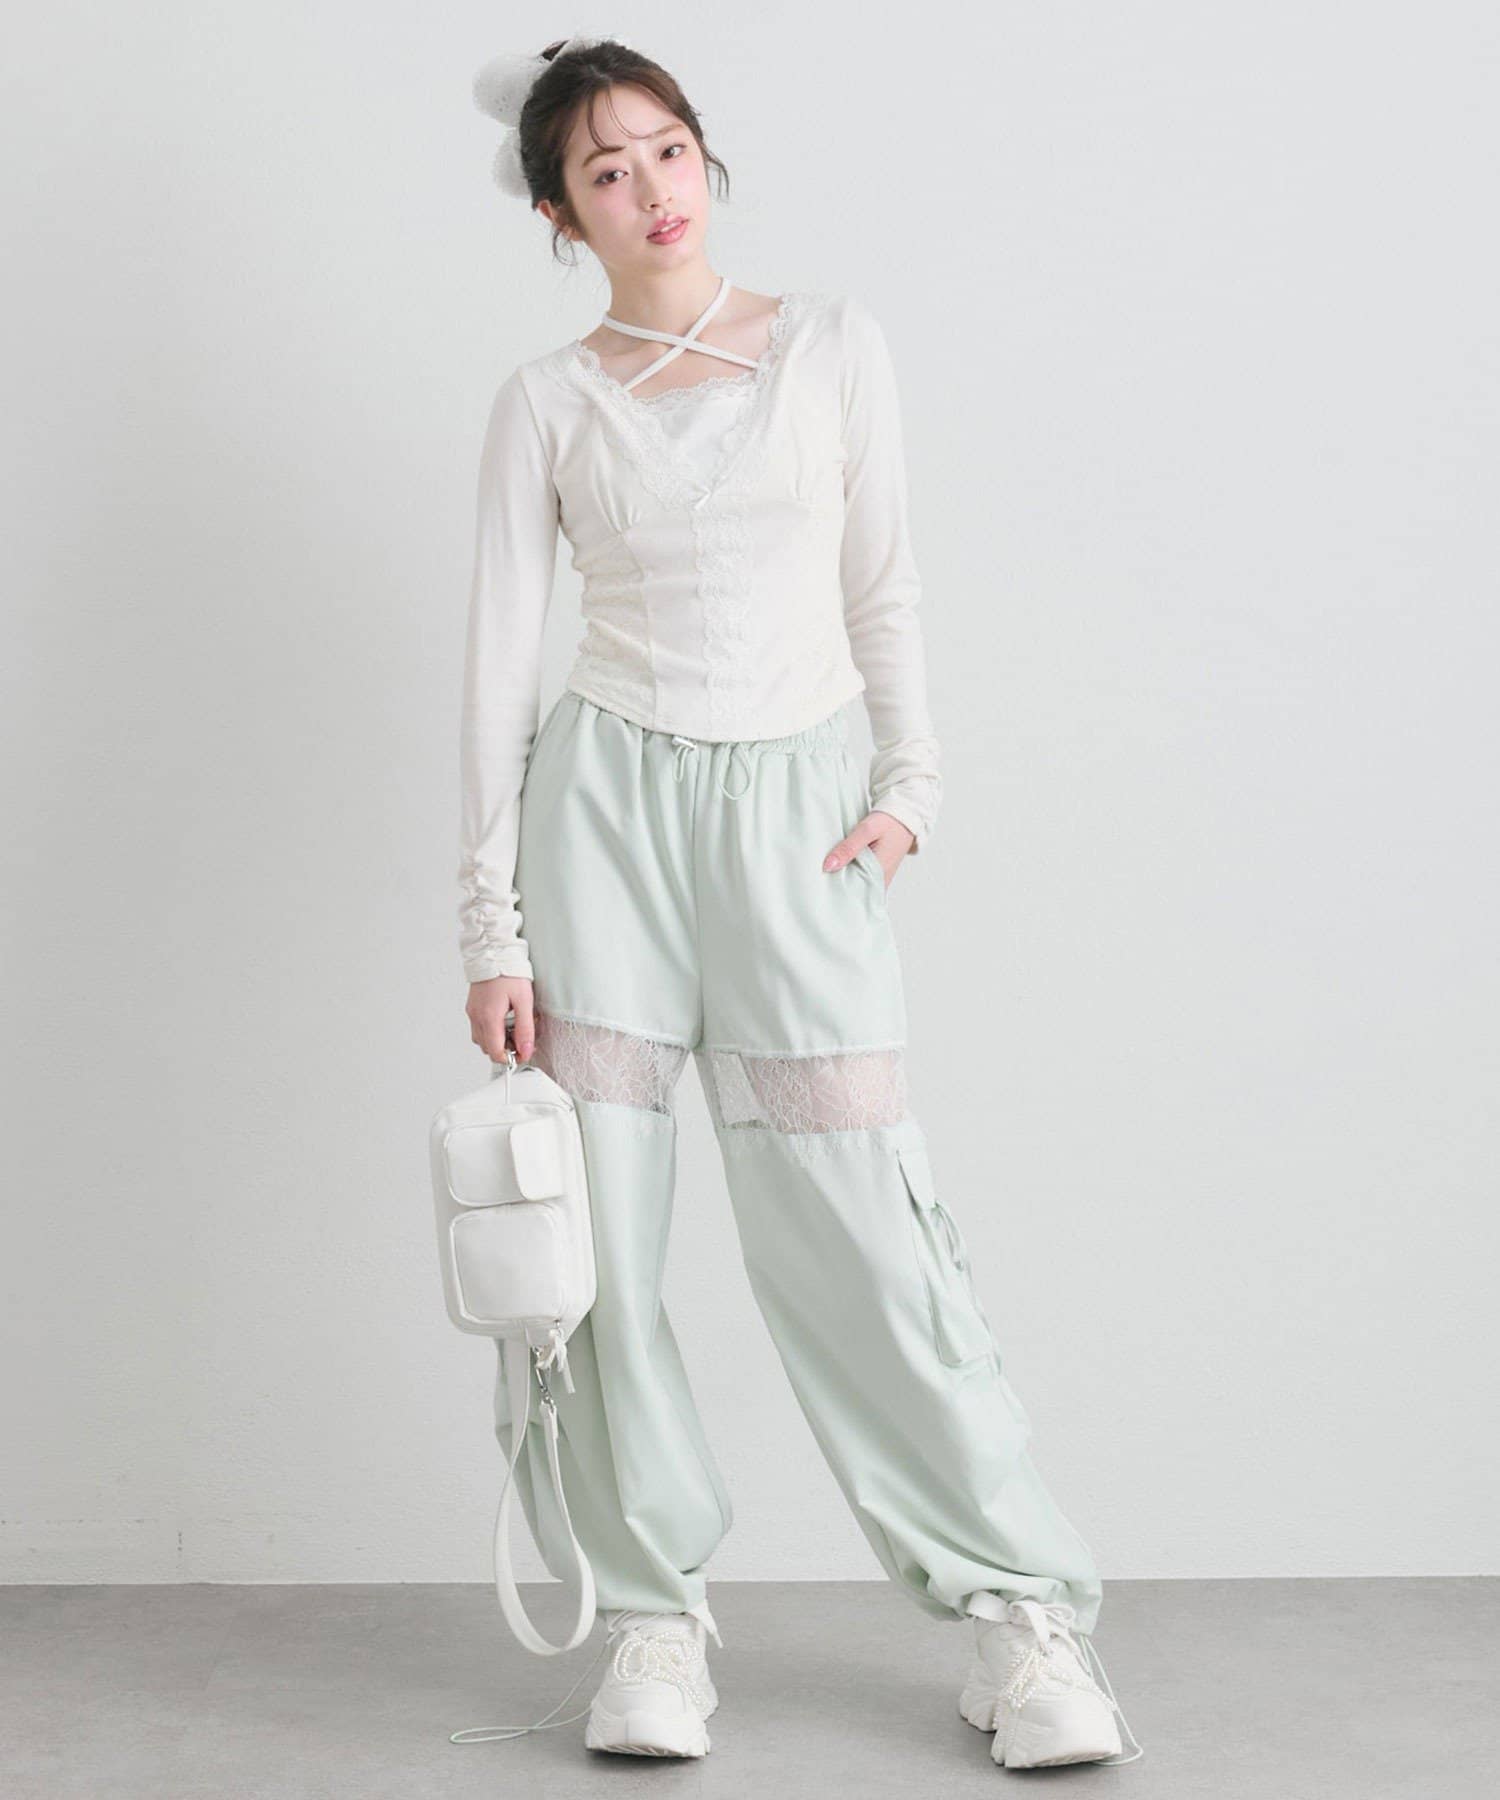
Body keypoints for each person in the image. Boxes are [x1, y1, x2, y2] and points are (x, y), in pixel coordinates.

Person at [453, 35, 1143, 1770]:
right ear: (560, 216)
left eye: (668, 149)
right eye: (606, 170)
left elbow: (881, 584)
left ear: (707, 158)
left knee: (863, 1231)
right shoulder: (546, 401)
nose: (651, 188)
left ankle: (1017, 1616)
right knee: (600, 1246)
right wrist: (491, 923)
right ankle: (650, 1617)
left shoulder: (833, 346)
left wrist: (912, 790)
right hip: (602, 817)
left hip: (800, 813)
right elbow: (497, 669)